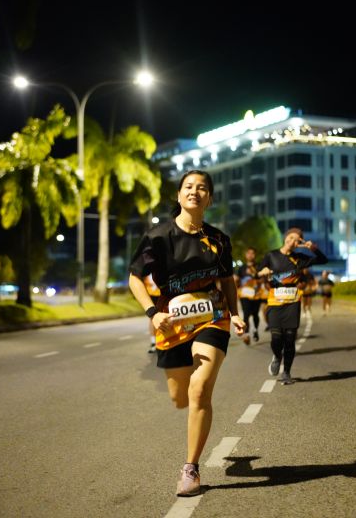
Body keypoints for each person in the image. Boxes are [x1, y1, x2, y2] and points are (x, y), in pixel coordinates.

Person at [128, 170, 245, 497]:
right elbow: (135, 278)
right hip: (172, 324)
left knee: (200, 388)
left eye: (202, 188)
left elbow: (226, 280)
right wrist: (152, 313)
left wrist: (235, 314)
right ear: (179, 195)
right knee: (180, 398)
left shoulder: (219, 239)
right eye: (189, 187)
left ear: (209, 198)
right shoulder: (158, 237)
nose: (195, 191)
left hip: (212, 317)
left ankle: (190, 468)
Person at [257, 227, 327, 385]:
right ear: (285, 238)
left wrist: (313, 248)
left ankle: (286, 372)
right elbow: (257, 272)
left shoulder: (300, 258)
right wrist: (263, 272)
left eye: (297, 239)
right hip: (275, 302)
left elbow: (323, 260)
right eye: (291, 237)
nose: (292, 241)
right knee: (276, 338)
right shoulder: (271, 255)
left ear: (299, 244)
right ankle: (277, 356)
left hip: (293, 303)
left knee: (289, 339)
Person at [234, 247, 263, 344]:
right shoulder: (241, 268)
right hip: (245, 295)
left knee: (255, 314)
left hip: (256, 295)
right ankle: (246, 334)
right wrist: (236, 281)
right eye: (248, 253)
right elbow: (237, 281)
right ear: (245, 255)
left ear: (255, 255)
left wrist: (254, 274)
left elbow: (262, 279)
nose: (250, 255)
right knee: (246, 314)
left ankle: (255, 330)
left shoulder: (259, 266)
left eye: (252, 253)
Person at [143, 274, 161, 353]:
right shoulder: (145, 270)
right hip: (151, 294)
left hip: (162, 293)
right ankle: (153, 341)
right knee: (152, 317)